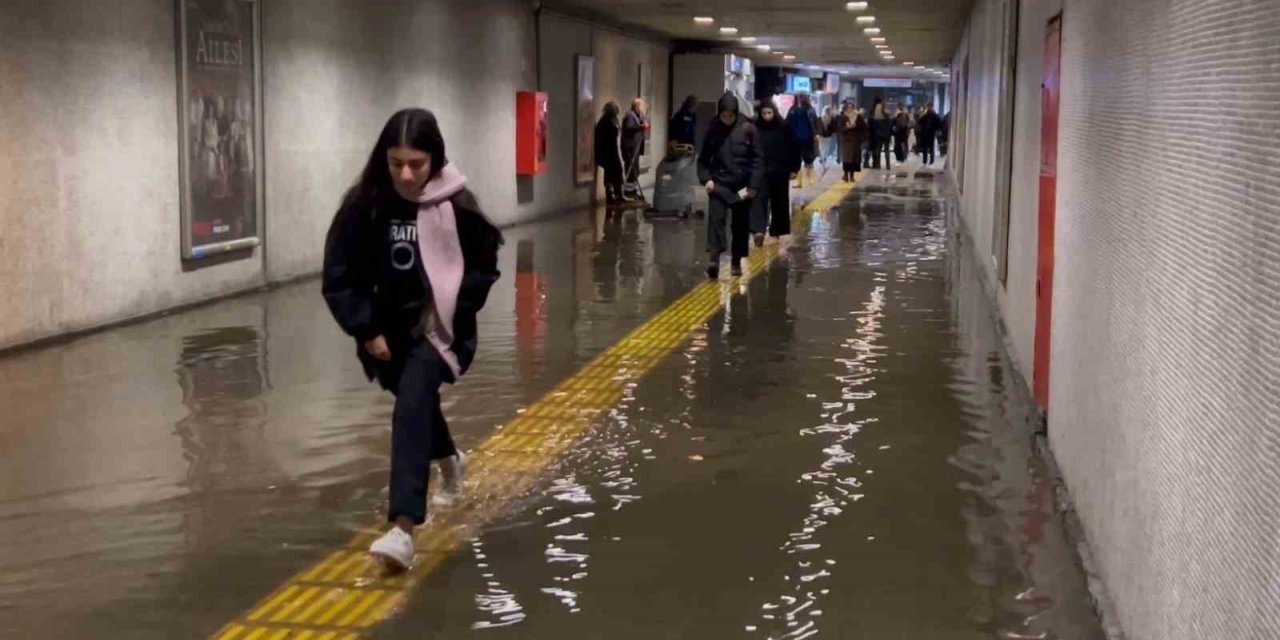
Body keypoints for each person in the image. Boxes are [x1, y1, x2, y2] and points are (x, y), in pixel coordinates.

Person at [322, 108, 503, 572]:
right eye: (396, 163)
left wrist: (450, 311)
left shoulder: (457, 205)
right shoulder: (364, 205)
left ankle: (403, 528)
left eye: (416, 164)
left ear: (434, 159)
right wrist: (366, 329)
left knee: (411, 404)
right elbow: (339, 275)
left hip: (440, 331)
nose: (405, 174)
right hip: (386, 332)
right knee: (414, 398)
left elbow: (484, 267)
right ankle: (451, 460)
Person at [698, 92, 763, 280]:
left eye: (730, 115)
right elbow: (703, 159)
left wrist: (753, 185)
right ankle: (714, 259)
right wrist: (706, 179)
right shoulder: (713, 128)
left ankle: (736, 260)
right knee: (716, 221)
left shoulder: (748, 129)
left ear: (735, 113)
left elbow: (758, 160)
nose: (727, 119)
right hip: (719, 183)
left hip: (742, 186)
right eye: (724, 115)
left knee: (740, 225)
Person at [752, 101, 801, 245]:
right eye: (764, 113)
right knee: (759, 200)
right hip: (761, 171)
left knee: (779, 202)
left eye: (769, 113)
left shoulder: (784, 127)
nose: (767, 116)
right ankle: (759, 230)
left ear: (774, 112)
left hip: (780, 171)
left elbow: (794, 148)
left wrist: (794, 168)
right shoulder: (756, 128)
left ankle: (776, 232)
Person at [785, 93, 822, 188]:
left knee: (809, 159)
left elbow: (816, 122)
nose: (800, 99)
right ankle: (800, 181)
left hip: (807, 138)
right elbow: (787, 122)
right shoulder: (792, 110)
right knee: (796, 161)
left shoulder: (810, 109)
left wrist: (816, 133)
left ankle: (811, 179)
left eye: (802, 97)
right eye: (799, 97)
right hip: (794, 138)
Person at [595, 102, 625, 206]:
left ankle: (615, 195)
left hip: (609, 151)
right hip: (609, 152)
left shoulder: (606, 121)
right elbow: (610, 136)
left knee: (612, 173)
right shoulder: (606, 122)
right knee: (615, 172)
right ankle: (615, 195)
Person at [833, 102, 867, 182]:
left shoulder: (858, 117)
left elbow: (863, 127)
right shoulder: (843, 117)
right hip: (846, 141)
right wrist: (847, 127)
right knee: (846, 159)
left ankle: (852, 176)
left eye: (851, 107)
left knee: (853, 160)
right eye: (848, 107)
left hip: (855, 141)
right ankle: (845, 175)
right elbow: (840, 129)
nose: (850, 109)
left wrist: (856, 127)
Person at [621, 98, 650, 188]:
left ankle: (632, 189)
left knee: (635, 169)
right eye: (642, 107)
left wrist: (643, 120)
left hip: (635, 146)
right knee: (631, 168)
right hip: (630, 146)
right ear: (637, 106)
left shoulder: (636, 116)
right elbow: (629, 127)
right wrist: (641, 127)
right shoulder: (630, 115)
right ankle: (629, 190)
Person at [869, 98, 893, 170]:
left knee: (878, 149)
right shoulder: (886, 115)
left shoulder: (874, 114)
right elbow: (890, 123)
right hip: (886, 134)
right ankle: (888, 165)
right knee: (886, 149)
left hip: (878, 134)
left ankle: (878, 164)